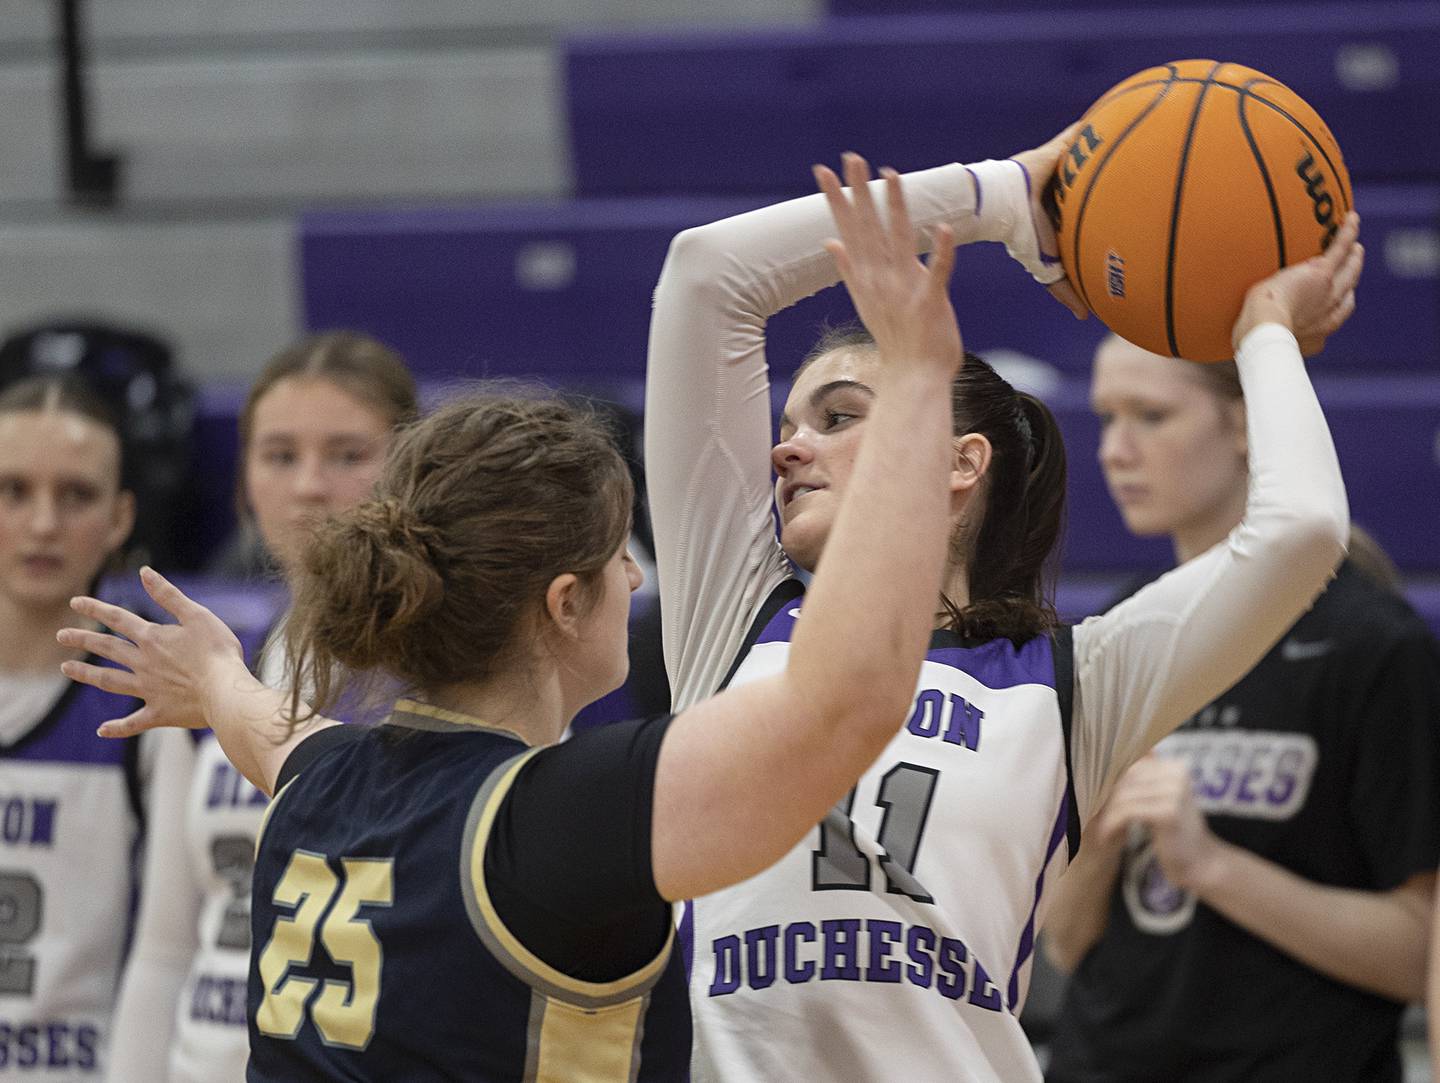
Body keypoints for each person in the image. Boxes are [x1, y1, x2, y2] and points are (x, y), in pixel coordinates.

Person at [61, 166, 976, 1079]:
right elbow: (848, 701)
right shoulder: (556, 819)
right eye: (620, 550)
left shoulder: (320, 780)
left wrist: (216, 674)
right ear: (564, 601)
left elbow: (265, 726)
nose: (633, 572)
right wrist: (918, 387)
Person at [643, 138, 1358, 1080]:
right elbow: (707, 273)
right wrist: (1007, 199)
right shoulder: (731, 618)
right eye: (785, 427)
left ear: (958, 460)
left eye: (840, 416)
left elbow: (1303, 528)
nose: (787, 451)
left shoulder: (1076, 682)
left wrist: (1261, 327)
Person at [1041, 335, 1440, 1083]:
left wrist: (1212, 865)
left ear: (1247, 424)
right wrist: (1096, 845)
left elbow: (1420, 955)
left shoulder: (1372, 644)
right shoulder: (1123, 624)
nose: (1114, 451)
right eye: (1105, 417)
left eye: (1151, 416)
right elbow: (1063, 942)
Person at [107, 332, 418, 1082]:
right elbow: (166, 948)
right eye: (280, 456)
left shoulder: (463, 668)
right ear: (244, 485)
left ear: (412, 475)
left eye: (347, 454)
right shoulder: (209, 662)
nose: (310, 486)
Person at [0, 375, 154, 1078]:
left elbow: (168, 950)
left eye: (77, 495)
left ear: (120, 518)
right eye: (13, 490)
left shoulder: (152, 704)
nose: (41, 524)